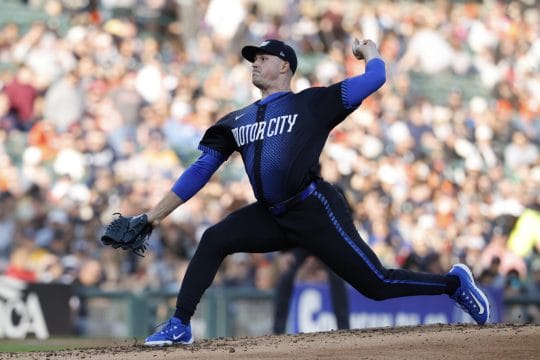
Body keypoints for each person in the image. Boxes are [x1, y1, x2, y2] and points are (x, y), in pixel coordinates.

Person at [139, 38, 490, 346]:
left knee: (377, 284)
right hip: (270, 215)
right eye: (253, 59)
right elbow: (200, 169)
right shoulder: (236, 120)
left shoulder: (311, 104)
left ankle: (453, 284)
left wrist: (370, 51)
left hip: (313, 208)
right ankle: (180, 324)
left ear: (284, 65)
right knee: (214, 238)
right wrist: (152, 217)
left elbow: (376, 78)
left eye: (262, 58)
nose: (255, 63)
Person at [273, 247, 350, 334]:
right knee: (286, 276)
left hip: (325, 241)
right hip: (301, 242)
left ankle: (344, 328)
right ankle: (278, 331)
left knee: (337, 276)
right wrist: (284, 251)